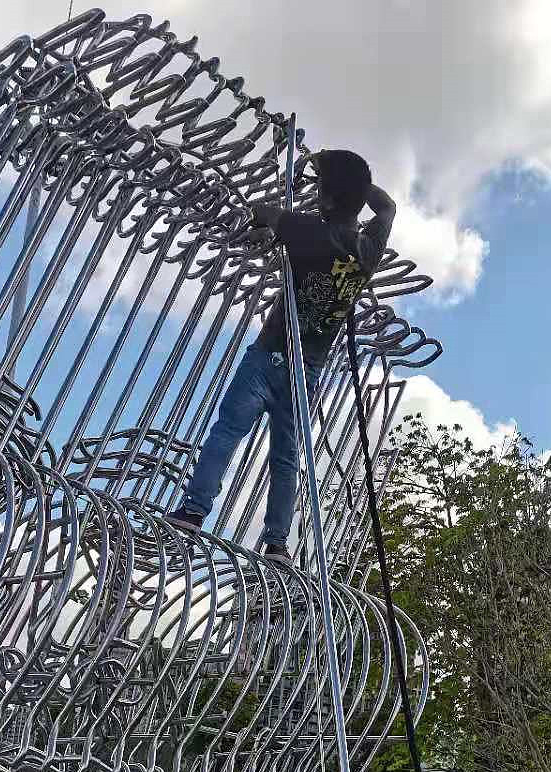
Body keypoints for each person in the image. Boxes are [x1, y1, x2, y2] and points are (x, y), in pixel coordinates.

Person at [169, 150, 396, 562]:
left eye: (320, 191)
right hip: (308, 369)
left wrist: (267, 213)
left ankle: (193, 510)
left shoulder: (308, 230)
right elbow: (387, 206)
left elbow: (265, 213)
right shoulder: (369, 250)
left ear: (326, 201)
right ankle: (277, 542)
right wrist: (357, 189)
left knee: (227, 431)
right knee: (286, 455)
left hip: (270, 354)